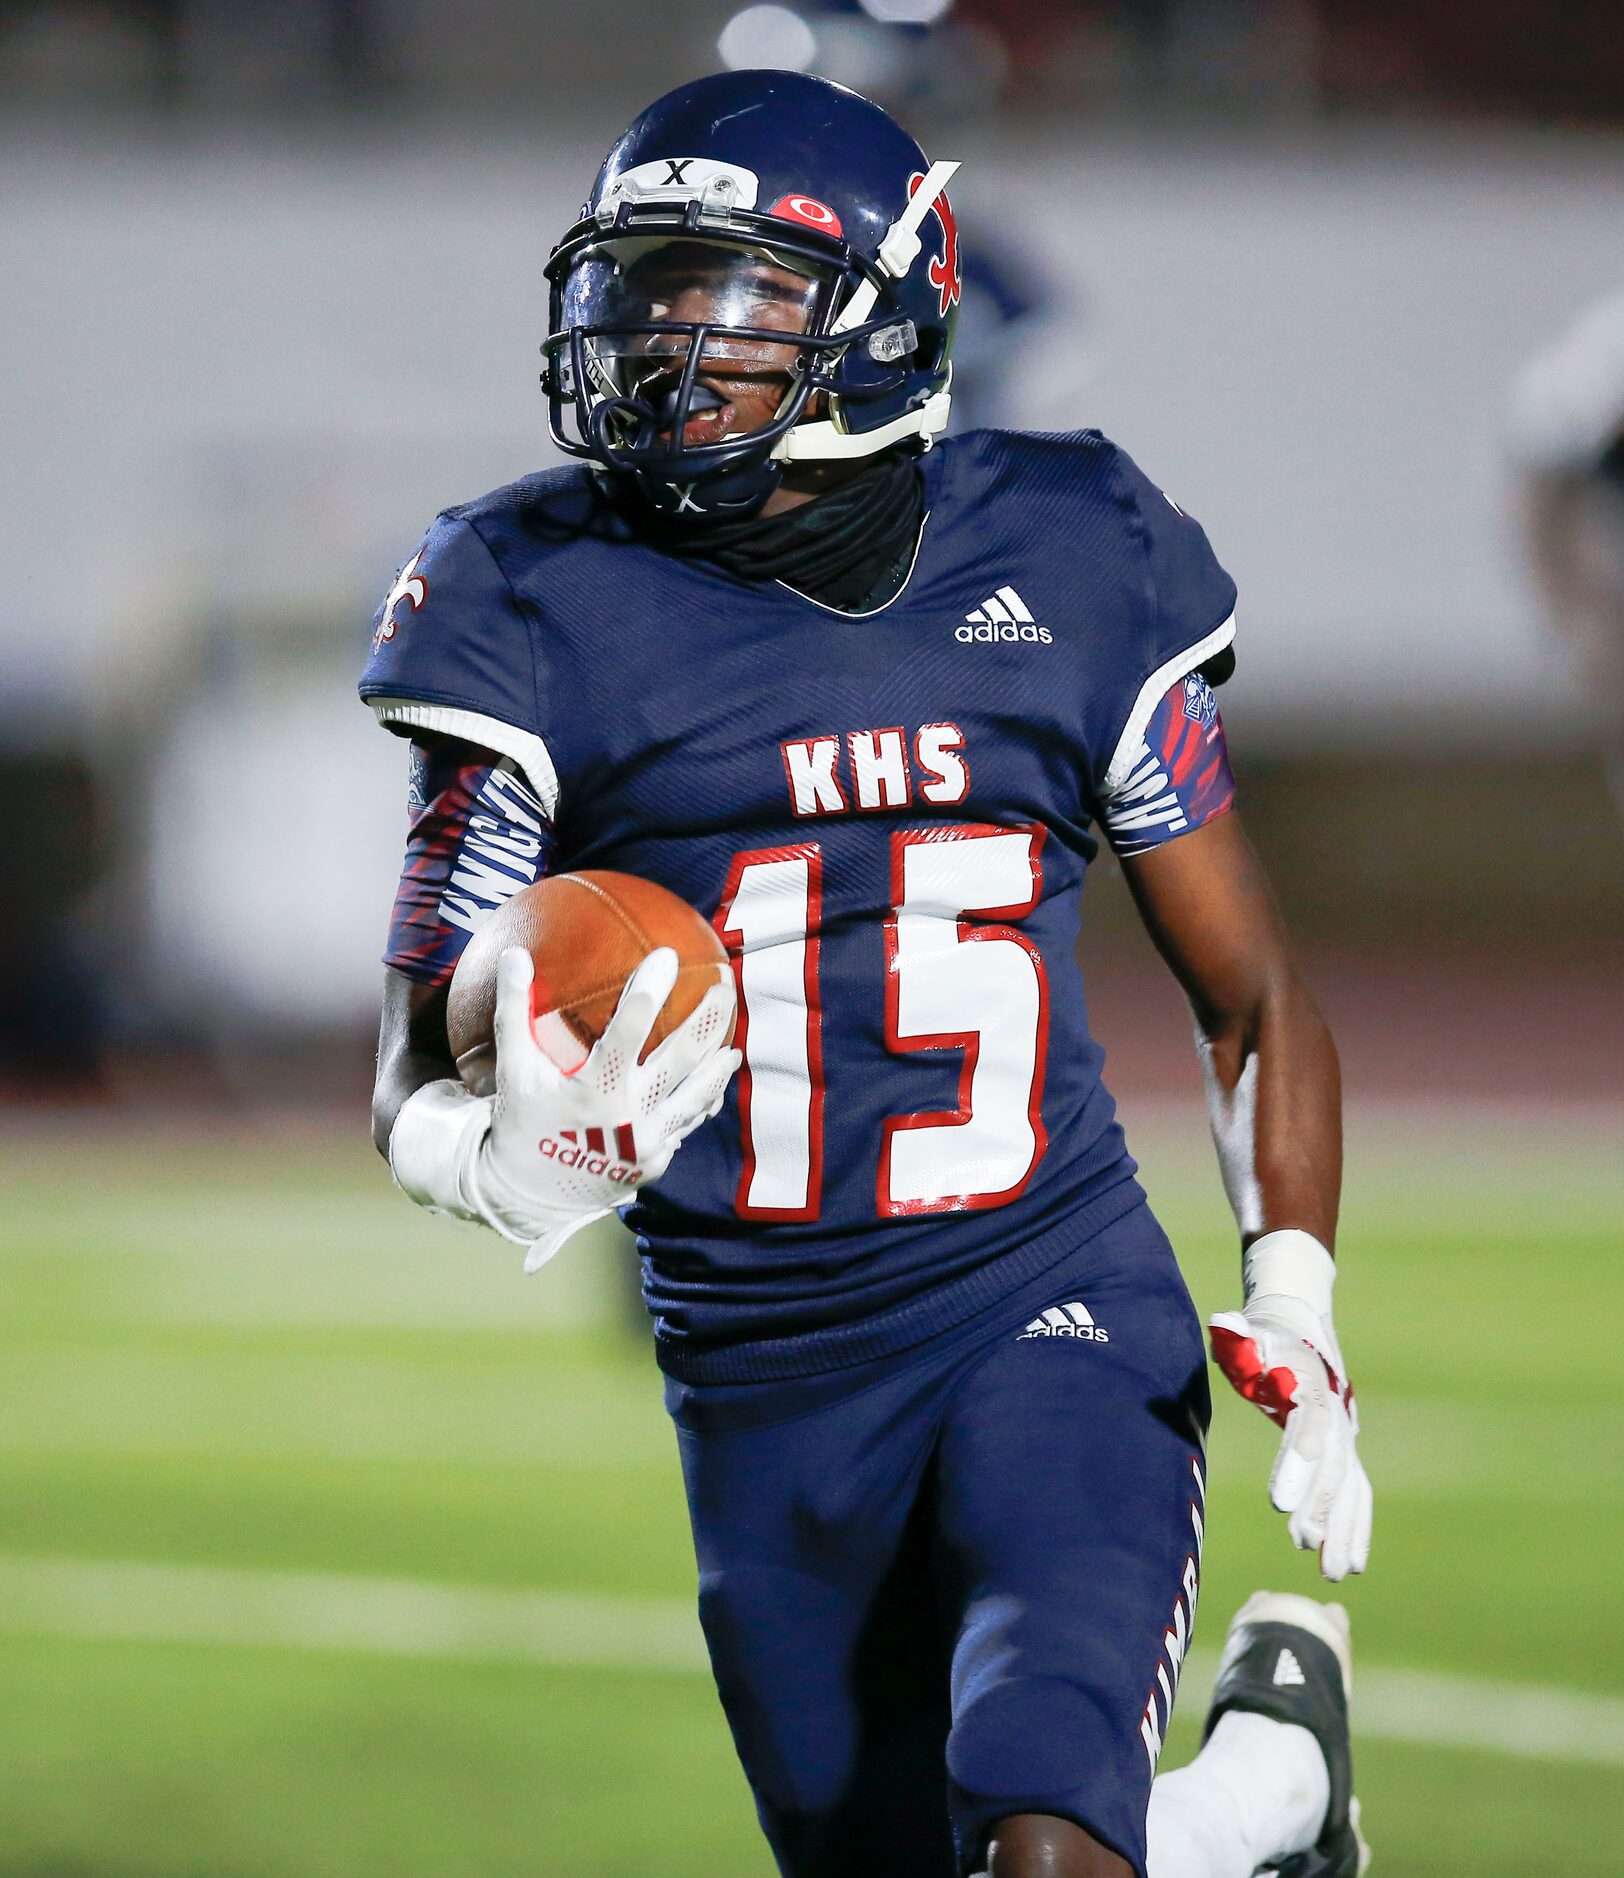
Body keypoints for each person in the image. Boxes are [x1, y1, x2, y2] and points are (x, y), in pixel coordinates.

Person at [364, 69, 1372, 1878]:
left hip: (1043, 1298)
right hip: (761, 1375)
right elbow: (409, 1059)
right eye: (645, 289)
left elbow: (1253, 994)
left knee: (1048, 1845)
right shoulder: (527, 592)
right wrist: (482, 1159)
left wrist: (1290, 1292)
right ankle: (1275, 1793)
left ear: (893, 315)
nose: (665, 344)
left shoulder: (1073, 551)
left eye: (728, 297)